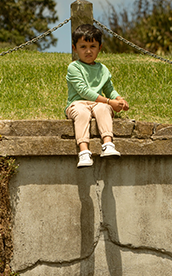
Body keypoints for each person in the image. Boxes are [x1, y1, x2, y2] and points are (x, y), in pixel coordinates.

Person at [65, 24, 130, 168]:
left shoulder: (103, 69)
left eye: (93, 46)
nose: (88, 51)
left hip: (97, 104)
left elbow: (109, 89)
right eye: (83, 47)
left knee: (103, 109)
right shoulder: (74, 67)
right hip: (78, 103)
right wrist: (109, 101)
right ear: (74, 48)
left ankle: (108, 144)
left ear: (100, 48)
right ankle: (84, 152)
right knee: (82, 113)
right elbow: (84, 92)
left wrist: (119, 99)